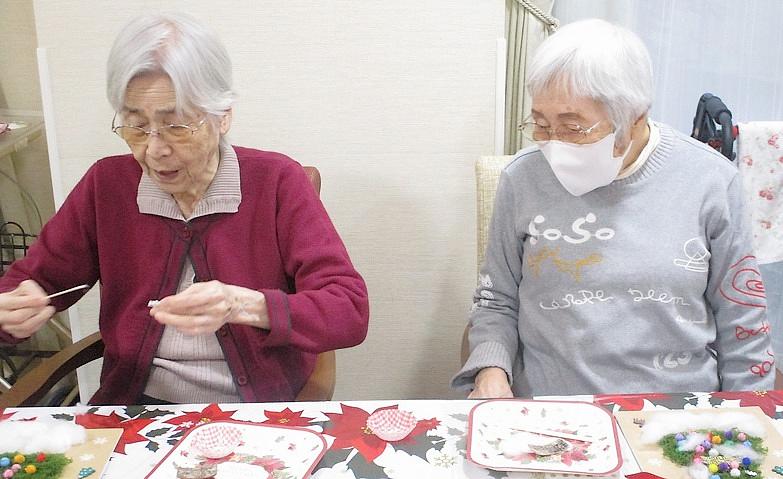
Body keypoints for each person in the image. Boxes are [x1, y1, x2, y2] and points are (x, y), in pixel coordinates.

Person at [0, 13, 369, 405]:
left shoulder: (278, 182)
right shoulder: (106, 185)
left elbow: (348, 309)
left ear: (223, 116)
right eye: (136, 126)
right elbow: (29, 285)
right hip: (136, 409)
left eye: (176, 126)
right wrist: (11, 312)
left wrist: (244, 304)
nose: (154, 149)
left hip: (255, 411)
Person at [452, 19, 774, 398]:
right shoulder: (522, 179)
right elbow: (496, 301)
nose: (553, 144)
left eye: (573, 128)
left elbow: (743, 322)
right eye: (540, 124)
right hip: (549, 407)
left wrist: (748, 413)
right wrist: (491, 373)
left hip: (675, 408)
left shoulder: (712, 182)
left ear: (635, 119)